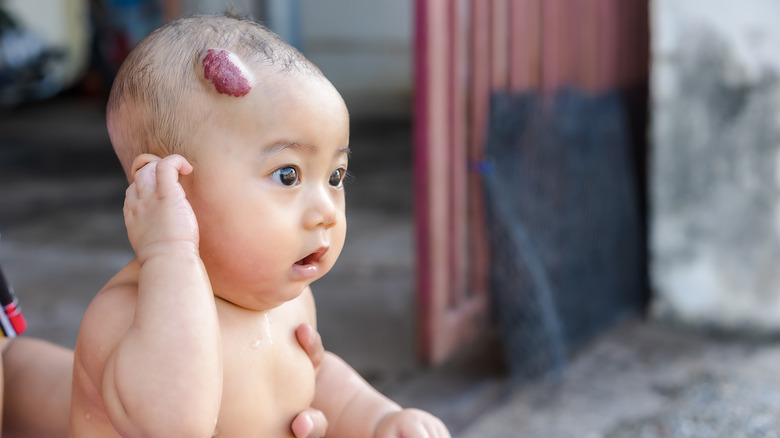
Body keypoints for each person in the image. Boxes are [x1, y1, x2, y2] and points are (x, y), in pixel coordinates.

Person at [69, 13, 450, 438]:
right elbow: (174, 423)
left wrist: (380, 420)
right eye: (288, 175)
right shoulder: (125, 314)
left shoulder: (287, 300)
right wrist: (170, 251)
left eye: (335, 176)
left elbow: (315, 378)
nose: (327, 211)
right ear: (165, 185)